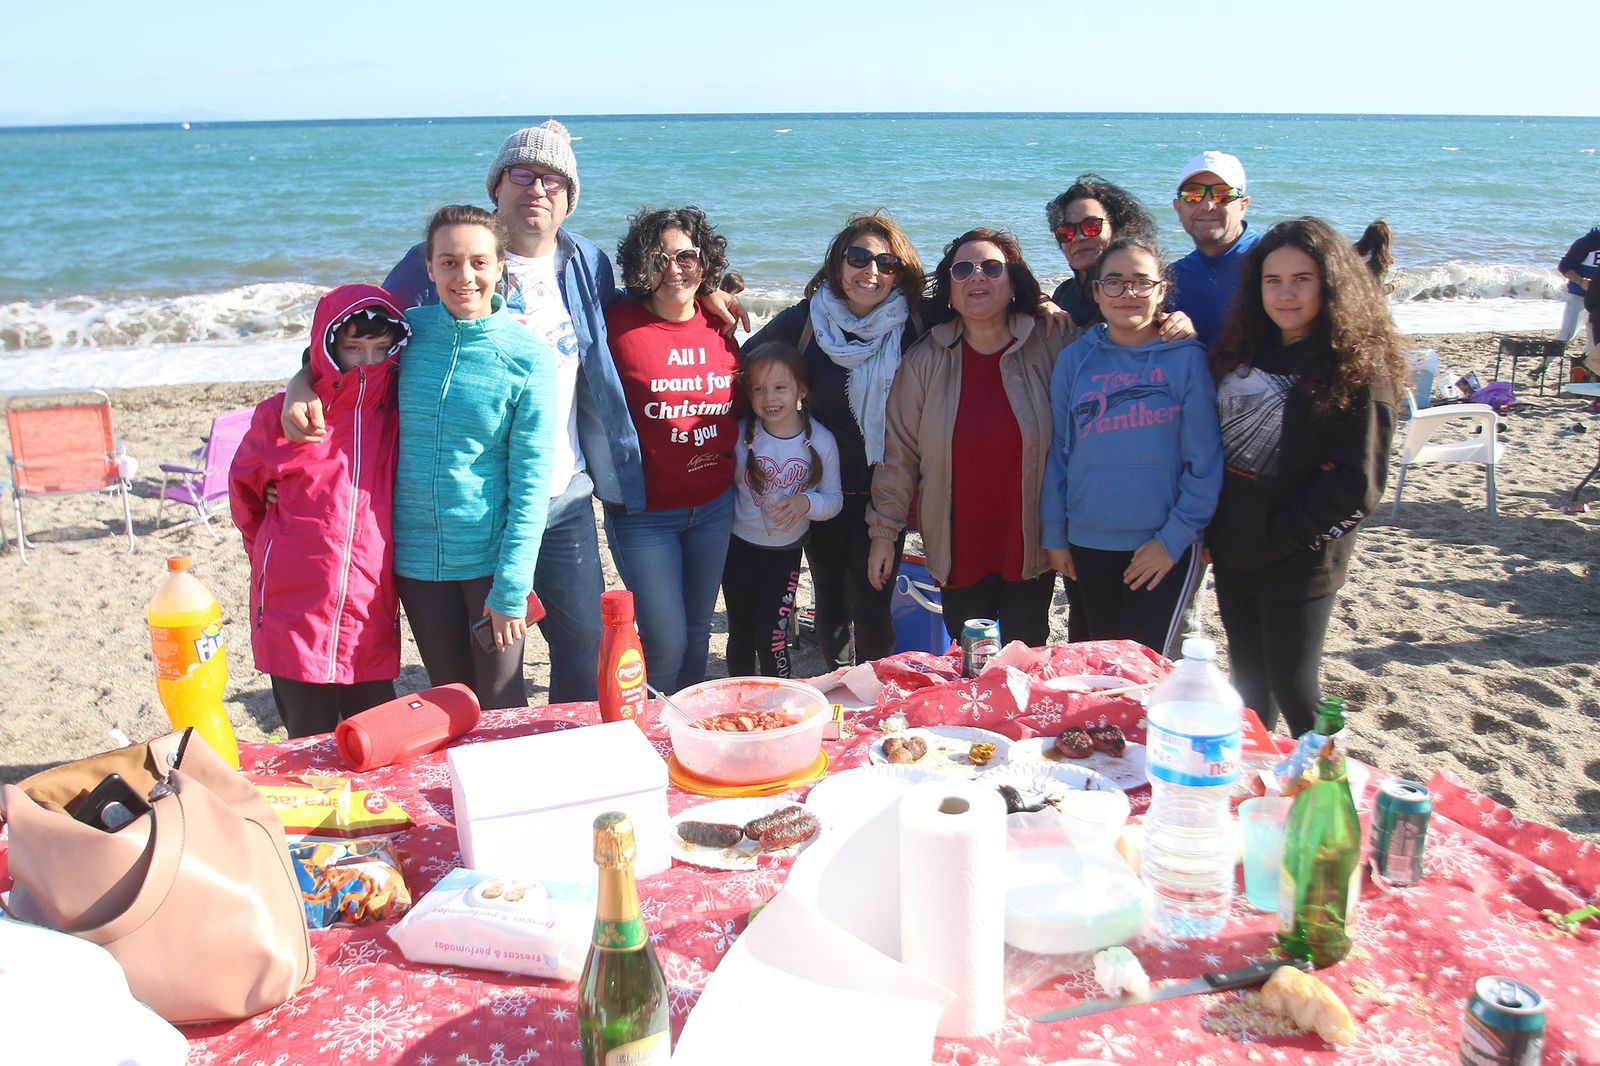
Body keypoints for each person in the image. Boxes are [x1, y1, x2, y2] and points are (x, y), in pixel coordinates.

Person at [282, 120, 744, 704]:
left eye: (552, 180)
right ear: (496, 188)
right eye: (521, 175)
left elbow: (647, 301)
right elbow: (362, 332)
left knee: (580, 644)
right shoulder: (447, 263)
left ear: (569, 199)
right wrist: (304, 376)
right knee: (488, 667)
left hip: (562, 494)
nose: (537, 189)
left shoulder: (588, 265)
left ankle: (562, 748)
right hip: (474, 508)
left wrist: (706, 292)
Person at [1207, 217, 1405, 736]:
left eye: (1302, 279)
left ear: (1330, 283)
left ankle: (1329, 795)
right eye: (1273, 280)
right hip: (1234, 548)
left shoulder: (1356, 368)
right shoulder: (1245, 348)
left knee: (1295, 686)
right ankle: (1265, 788)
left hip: (1300, 557)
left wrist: (1277, 538)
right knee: (1248, 687)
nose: (1286, 294)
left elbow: (1356, 486)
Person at [867, 228, 1069, 647]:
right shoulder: (924, 360)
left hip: (1030, 544)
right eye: (964, 269)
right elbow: (898, 455)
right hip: (958, 547)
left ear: (1013, 283)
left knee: (1026, 657)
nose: (978, 276)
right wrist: (884, 535)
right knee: (970, 663)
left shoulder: (1050, 342)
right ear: (951, 291)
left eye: (992, 268)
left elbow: (1116, 348)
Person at [743, 211, 927, 668]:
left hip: (886, 491)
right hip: (820, 488)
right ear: (837, 264)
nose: (871, 272)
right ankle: (839, 682)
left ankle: (874, 691)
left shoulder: (916, 321)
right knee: (830, 601)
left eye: (886, 263)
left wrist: (1042, 305)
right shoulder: (807, 319)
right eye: (859, 257)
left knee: (874, 606)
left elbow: (984, 309)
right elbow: (744, 366)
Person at [392, 205, 557, 709]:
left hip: (489, 563)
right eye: (449, 262)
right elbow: (332, 351)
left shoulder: (528, 357)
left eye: (479, 263)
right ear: (429, 267)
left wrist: (511, 589)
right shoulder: (404, 335)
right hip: (415, 562)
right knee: (450, 702)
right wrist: (299, 386)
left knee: (503, 706)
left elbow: (531, 486)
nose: (465, 277)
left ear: (501, 265)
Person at [229, 285, 411, 738]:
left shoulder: (398, 412)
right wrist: (271, 549)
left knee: (372, 741)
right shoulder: (284, 416)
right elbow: (246, 495)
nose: (367, 360)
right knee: (307, 743)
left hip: (368, 607)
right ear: (328, 348)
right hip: (294, 608)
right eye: (353, 348)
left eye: (380, 348)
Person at [1040, 238, 1222, 654]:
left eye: (1141, 282)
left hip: (1159, 548)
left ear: (1161, 291)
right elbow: (1060, 455)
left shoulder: (1186, 359)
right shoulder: (1075, 360)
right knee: (1095, 666)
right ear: (1097, 291)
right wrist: (1055, 534)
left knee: (1144, 672)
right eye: (1115, 282)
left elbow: (1205, 463)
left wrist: (1172, 540)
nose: (1128, 294)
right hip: (1087, 543)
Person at [605, 206, 741, 691]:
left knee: (698, 630)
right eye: (659, 259)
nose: (674, 269)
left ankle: (682, 729)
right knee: (666, 642)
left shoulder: (719, 321)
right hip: (645, 515)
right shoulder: (614, 324)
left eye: (686, 257)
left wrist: (716, 295)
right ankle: (652, 726)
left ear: (705, 262)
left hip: (714, 506)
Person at [722, 341, 842, 677]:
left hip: (785, 555)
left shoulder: (821, 441)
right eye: (759, 389)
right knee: (741, 633)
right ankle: (739, 700)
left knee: (772, 637)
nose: (769, 398)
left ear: (801, 389)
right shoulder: (741, 436)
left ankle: (779, 703)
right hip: (738, 551)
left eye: (780, 388)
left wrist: (806, 502)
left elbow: (834, 500)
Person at [1170, 150, 1262, 346]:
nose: (1207, 205)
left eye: (1223, 194)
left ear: (1243, 205)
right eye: (1193, 195)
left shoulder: (1272, 261)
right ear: (1178, 207)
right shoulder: (1172, 278)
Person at [1045, 173, 1160, 329]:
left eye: (1091, 226)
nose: (1078, 237)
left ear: (1117, 228)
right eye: (1066, 232)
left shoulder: (1139, 295)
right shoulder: (1064, 294)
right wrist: (1040, 302)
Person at [1555, 222, 1600, 353]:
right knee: (1567, 336)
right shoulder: (1586, 243)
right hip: (1578, 296)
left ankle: (1585, 370)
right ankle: (1543, 366)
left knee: (1595, 343)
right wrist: (1581, 281)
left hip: (1597, 302)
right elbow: (1564, 266)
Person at [1353, 219, 1395, 289]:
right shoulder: (1377, 259)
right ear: (1385, 241)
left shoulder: (1353, 250)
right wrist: (1394, 285)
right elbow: (1379, 290)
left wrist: (1386, 257)